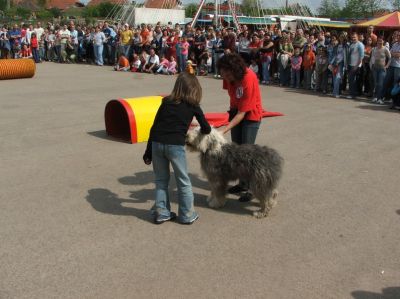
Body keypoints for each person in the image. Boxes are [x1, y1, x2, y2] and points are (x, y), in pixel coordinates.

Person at [143, 73, 211, 224]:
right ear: (195, 89)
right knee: (183, 181)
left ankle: (162, 212)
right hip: (175, 146)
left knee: (161, 180)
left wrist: (148, 152)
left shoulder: (165, 102)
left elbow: (154, 127)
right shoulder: (193, 105)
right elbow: (206, 128)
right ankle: (187, 214)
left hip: (157, 143)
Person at [217, 53, 263, 202]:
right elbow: (233, 96)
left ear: (234, 70)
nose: (224, 77)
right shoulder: (228, 77)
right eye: (222, 73)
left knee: (247, 153)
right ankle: (242, 184)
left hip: (250, 115)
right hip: (237, 111)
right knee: (237, 151)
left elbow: (243, 112)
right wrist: (230, 114)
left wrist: (224, 129)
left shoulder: (248, 78)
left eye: (226, 73)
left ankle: (251, 188)